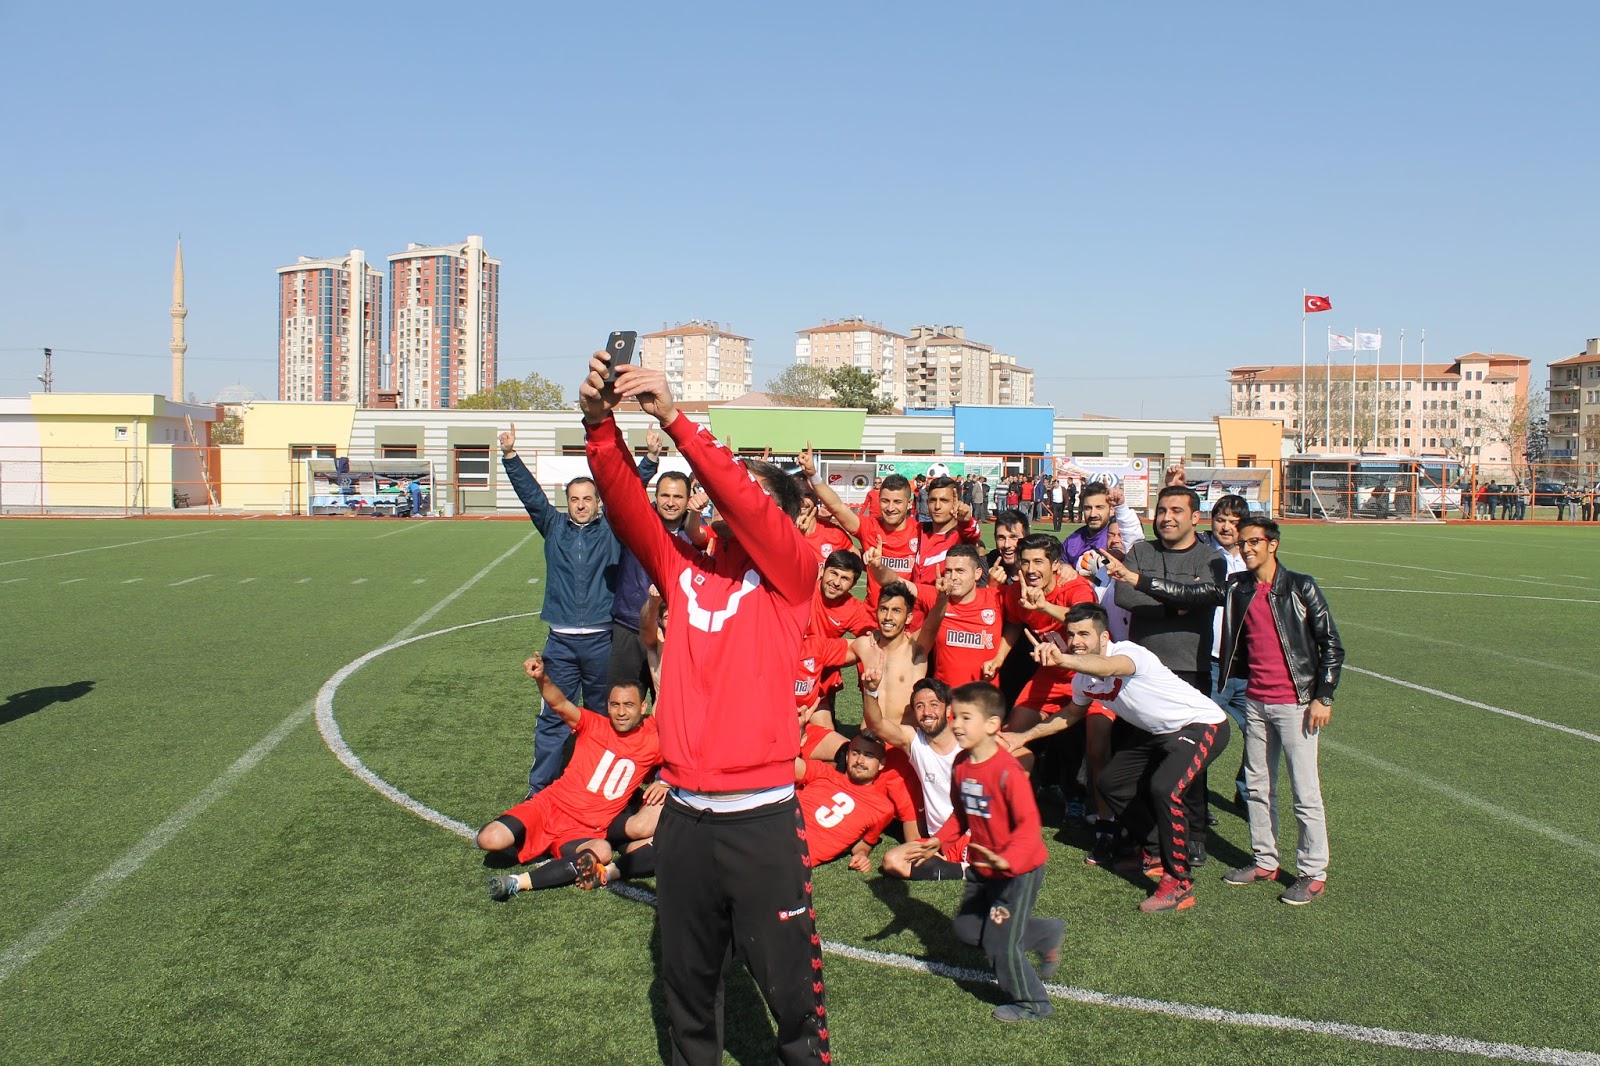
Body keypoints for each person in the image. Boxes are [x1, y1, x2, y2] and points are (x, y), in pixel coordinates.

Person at [581, 354, 829, 1065]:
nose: (725, 501)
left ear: (786, 516)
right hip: (686, 818)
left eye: (745, 494)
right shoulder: (685, 569)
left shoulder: (792, 571)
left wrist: (673, 416)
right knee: (686, 985)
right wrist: (599, 422)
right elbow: (628, 503)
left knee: (790, 995)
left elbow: (747, 501)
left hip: (763, 819)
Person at [1027, 604, 1230, 913]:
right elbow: (1071, 714)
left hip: (1202, 725)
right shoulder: (1083, 680)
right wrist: (1022, 737)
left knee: (1164, 788)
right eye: (1070, 635)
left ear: (1104, 636)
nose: (1076, 640)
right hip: (1158, 733)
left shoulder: (1130, 652)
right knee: (1110, 781)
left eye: (1084, 634)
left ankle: (1179, 882)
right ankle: (1153, 851)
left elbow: (1109, 668)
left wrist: (1064, 658)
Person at [501, 424, 650, 796]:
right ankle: (540, 790)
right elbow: (532, 497)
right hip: (561, 645)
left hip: (603, 641)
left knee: (604, 719)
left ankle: (601, 787)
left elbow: (629, 493)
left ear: (598, 502)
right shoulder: (554, 528)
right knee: (553, 718)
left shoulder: (611, 530)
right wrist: (510, 457)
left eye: (588, 498)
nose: (581, 504)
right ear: (567, 502)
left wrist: (648, 461)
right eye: (575, 499)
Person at [902, 683, 1063, 1023]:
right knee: (966, 929)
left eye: (966, 717)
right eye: (954, 716)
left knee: (1000, 944)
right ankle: (1044, 932)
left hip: (1016, 873)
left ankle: (1033, 1002)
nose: (956, 724)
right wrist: (940, 840)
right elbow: (960, 815)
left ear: (992, 725)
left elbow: (1028, 827)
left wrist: (1008, 861)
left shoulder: (1008, 773)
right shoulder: (961, 763)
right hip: (980, 869)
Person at [1217, 518, 1343, 906]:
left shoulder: (1300, 586)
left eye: (1254, 541)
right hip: (1256, 700)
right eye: (1242, 543)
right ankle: (1264, 860)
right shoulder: (1237, 588)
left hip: (1297, 703)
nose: (1247, 548)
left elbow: (1331, 646)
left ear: (1273, 544)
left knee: (1304, 791)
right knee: (1257, 785)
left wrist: (1324, 697)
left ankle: (1311, 872)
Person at [478, 656, 662, 899]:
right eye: (615, 704)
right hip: (550, 807)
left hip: (585, 829)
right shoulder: (593, 724)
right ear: (607, 706)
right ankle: (526, 836)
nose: (621, 712)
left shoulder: (654, 740)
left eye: (628, 705)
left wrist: (664, 781)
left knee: (602, 850)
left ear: (642, 708)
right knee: (490, 839)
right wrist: (542, 678)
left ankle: (516, 882)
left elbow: (684, 762)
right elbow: (560, 703)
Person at [1113, 485, 1229, 856]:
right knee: (1133, 756)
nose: (1167, 517)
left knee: (1188, 762)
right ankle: (1144, 834)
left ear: (1196, 517)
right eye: (1162, 510)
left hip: (1188, 670)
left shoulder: (1210, 559)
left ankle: (1194, 835)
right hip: (1139, 673)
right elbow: (1124, 597)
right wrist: (1176, 601)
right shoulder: (1140, 550)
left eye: (1177, 510)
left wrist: (1181, 597)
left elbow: (1203, 597)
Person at [608, 453, 706, 699]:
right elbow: (619, 497)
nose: (670, 502)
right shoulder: (637, 523)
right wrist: (650, 459)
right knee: (625, 703)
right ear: (655, 496)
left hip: (677, 632)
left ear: (687, 500)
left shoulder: (700, 533)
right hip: (631, 626)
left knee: (671, 705)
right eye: (665, 495)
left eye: (677, 496)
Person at [865, 678, 967, 881]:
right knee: (892, 861)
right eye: (920, 706)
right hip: (938, 840)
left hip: (973, 834)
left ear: (948, 710)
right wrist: (871, 691)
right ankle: (965, 871)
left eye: (934, 705)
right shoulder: (914, 740)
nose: (927, 712)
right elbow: (876, 724)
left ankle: (968, 863)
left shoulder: (968, 741)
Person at [795, 732, 920, 869]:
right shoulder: (823, 772)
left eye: (868, 755)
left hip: (795, 858)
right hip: (777, 830)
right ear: (847, 757)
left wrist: (861, 854)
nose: (860, 760)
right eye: (855, 753)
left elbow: (865, 841)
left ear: (881, 764)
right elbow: (787, 767)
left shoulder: (882, 808)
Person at [914, 544, 1008, 689]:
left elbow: (1016, 622)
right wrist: (877, 567)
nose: (953, 577)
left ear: (977, 574)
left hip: (985, 702)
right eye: (949, 571)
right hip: (946, 700)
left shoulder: (997, 597)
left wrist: (999, 658)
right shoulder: (938, 597)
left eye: (960, 571)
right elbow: (897, 583)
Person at [1062, 481, 1144, 571]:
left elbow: (1133, 538)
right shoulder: (1071, 541)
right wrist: (1064, 567)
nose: (1093, 514)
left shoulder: (1117, 538)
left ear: (1111, 509)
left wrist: (1121, 507)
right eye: (1088, 508)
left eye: (1099, 507)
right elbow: (1058, 565)